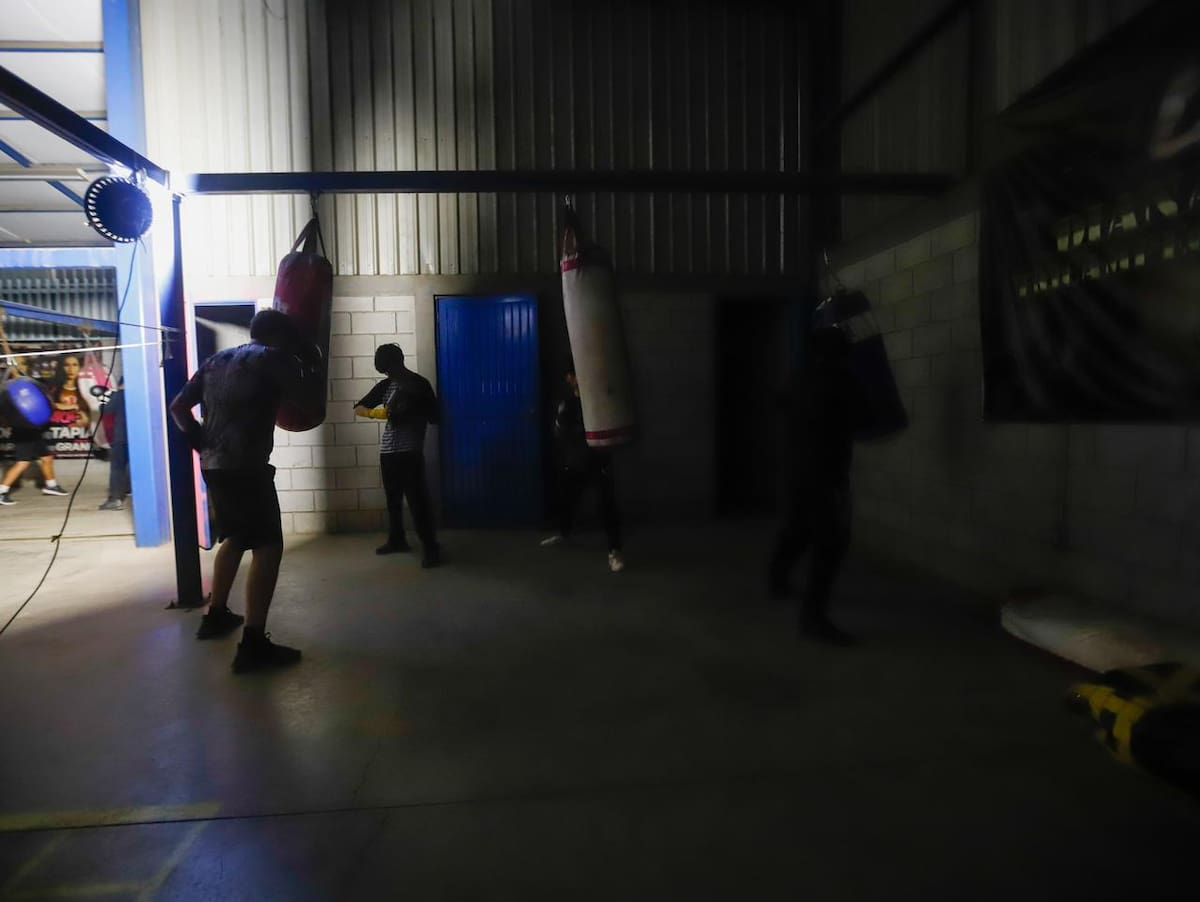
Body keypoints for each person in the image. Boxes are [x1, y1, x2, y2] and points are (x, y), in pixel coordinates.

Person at [169, 309, 319, 674]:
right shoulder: (274, 358)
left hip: (214, 466)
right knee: (269, 544)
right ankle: (253, 644)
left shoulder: (215, 360)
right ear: (282, 337)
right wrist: (309, 367)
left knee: (235, 537)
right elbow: (310, 406)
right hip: (247, 467)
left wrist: (199, 442)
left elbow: (178, 407)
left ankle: (216, 615)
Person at [768, 326, 862, 645]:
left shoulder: (797, 378)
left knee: (797, 528)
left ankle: (777, 580)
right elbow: (867, 419)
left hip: (795, 473)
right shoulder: (842, 381)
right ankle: (813, 616)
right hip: (827, 476)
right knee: (831, 543)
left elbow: (780, 405)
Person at [353, 343, 441, 568]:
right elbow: (358, 407)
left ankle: (431, 548)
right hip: (388, 452)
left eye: (390, 369)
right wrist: (374, 413)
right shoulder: (385, 385)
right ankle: (397, 539)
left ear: (399, 361)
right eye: (385, 371)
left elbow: (435, 416)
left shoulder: (419, 385)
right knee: (393, 500)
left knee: (417, 501)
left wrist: (412, 412)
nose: (388, 374)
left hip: (410, 450)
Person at [540, 368, 625, 573]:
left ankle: (614, 551)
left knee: (607, 505)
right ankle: (564, 532)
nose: (578, 377)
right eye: (574, 374)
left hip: (599, 460)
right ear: (570, 378)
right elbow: (560, 432)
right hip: (577, 462)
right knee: (567, 499)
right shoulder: (568, 404)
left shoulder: (599, 400)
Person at [100, 379, 129, 511]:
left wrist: (103, 398)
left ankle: (115, 499)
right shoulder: (143, 395)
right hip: (141, 439)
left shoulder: (118, 395)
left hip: (121, 438)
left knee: (117, 468)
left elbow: (105, 410)